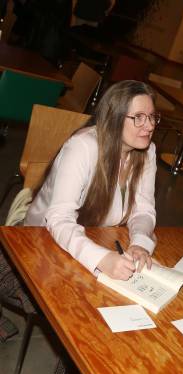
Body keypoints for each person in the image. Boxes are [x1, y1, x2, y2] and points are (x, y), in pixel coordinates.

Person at [0, 80, 158, 341]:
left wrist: (140, 242)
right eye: (138, 117)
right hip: (39, 238)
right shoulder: (83, 147)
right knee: (80, 307)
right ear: (114, 117)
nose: (149, 126)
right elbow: (59, 220)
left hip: (93, 234)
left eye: (152, 117)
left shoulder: (146, 152)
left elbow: (144, 208)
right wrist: (102, 260)